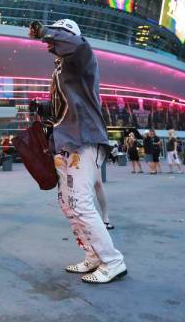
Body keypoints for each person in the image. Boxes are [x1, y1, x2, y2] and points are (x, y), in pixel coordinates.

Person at [29, 18, 126, 284]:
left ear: (68, 36)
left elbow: (77, 44)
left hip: (84, 140)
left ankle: (113, 261)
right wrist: (42, 110)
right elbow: (64, 108)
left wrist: (45, 31)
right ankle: (93, 255)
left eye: (58, 35)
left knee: (80, 203)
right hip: (68, 143)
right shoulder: (61, 68)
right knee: (68, 204)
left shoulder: (81, 54)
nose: (52, 42)